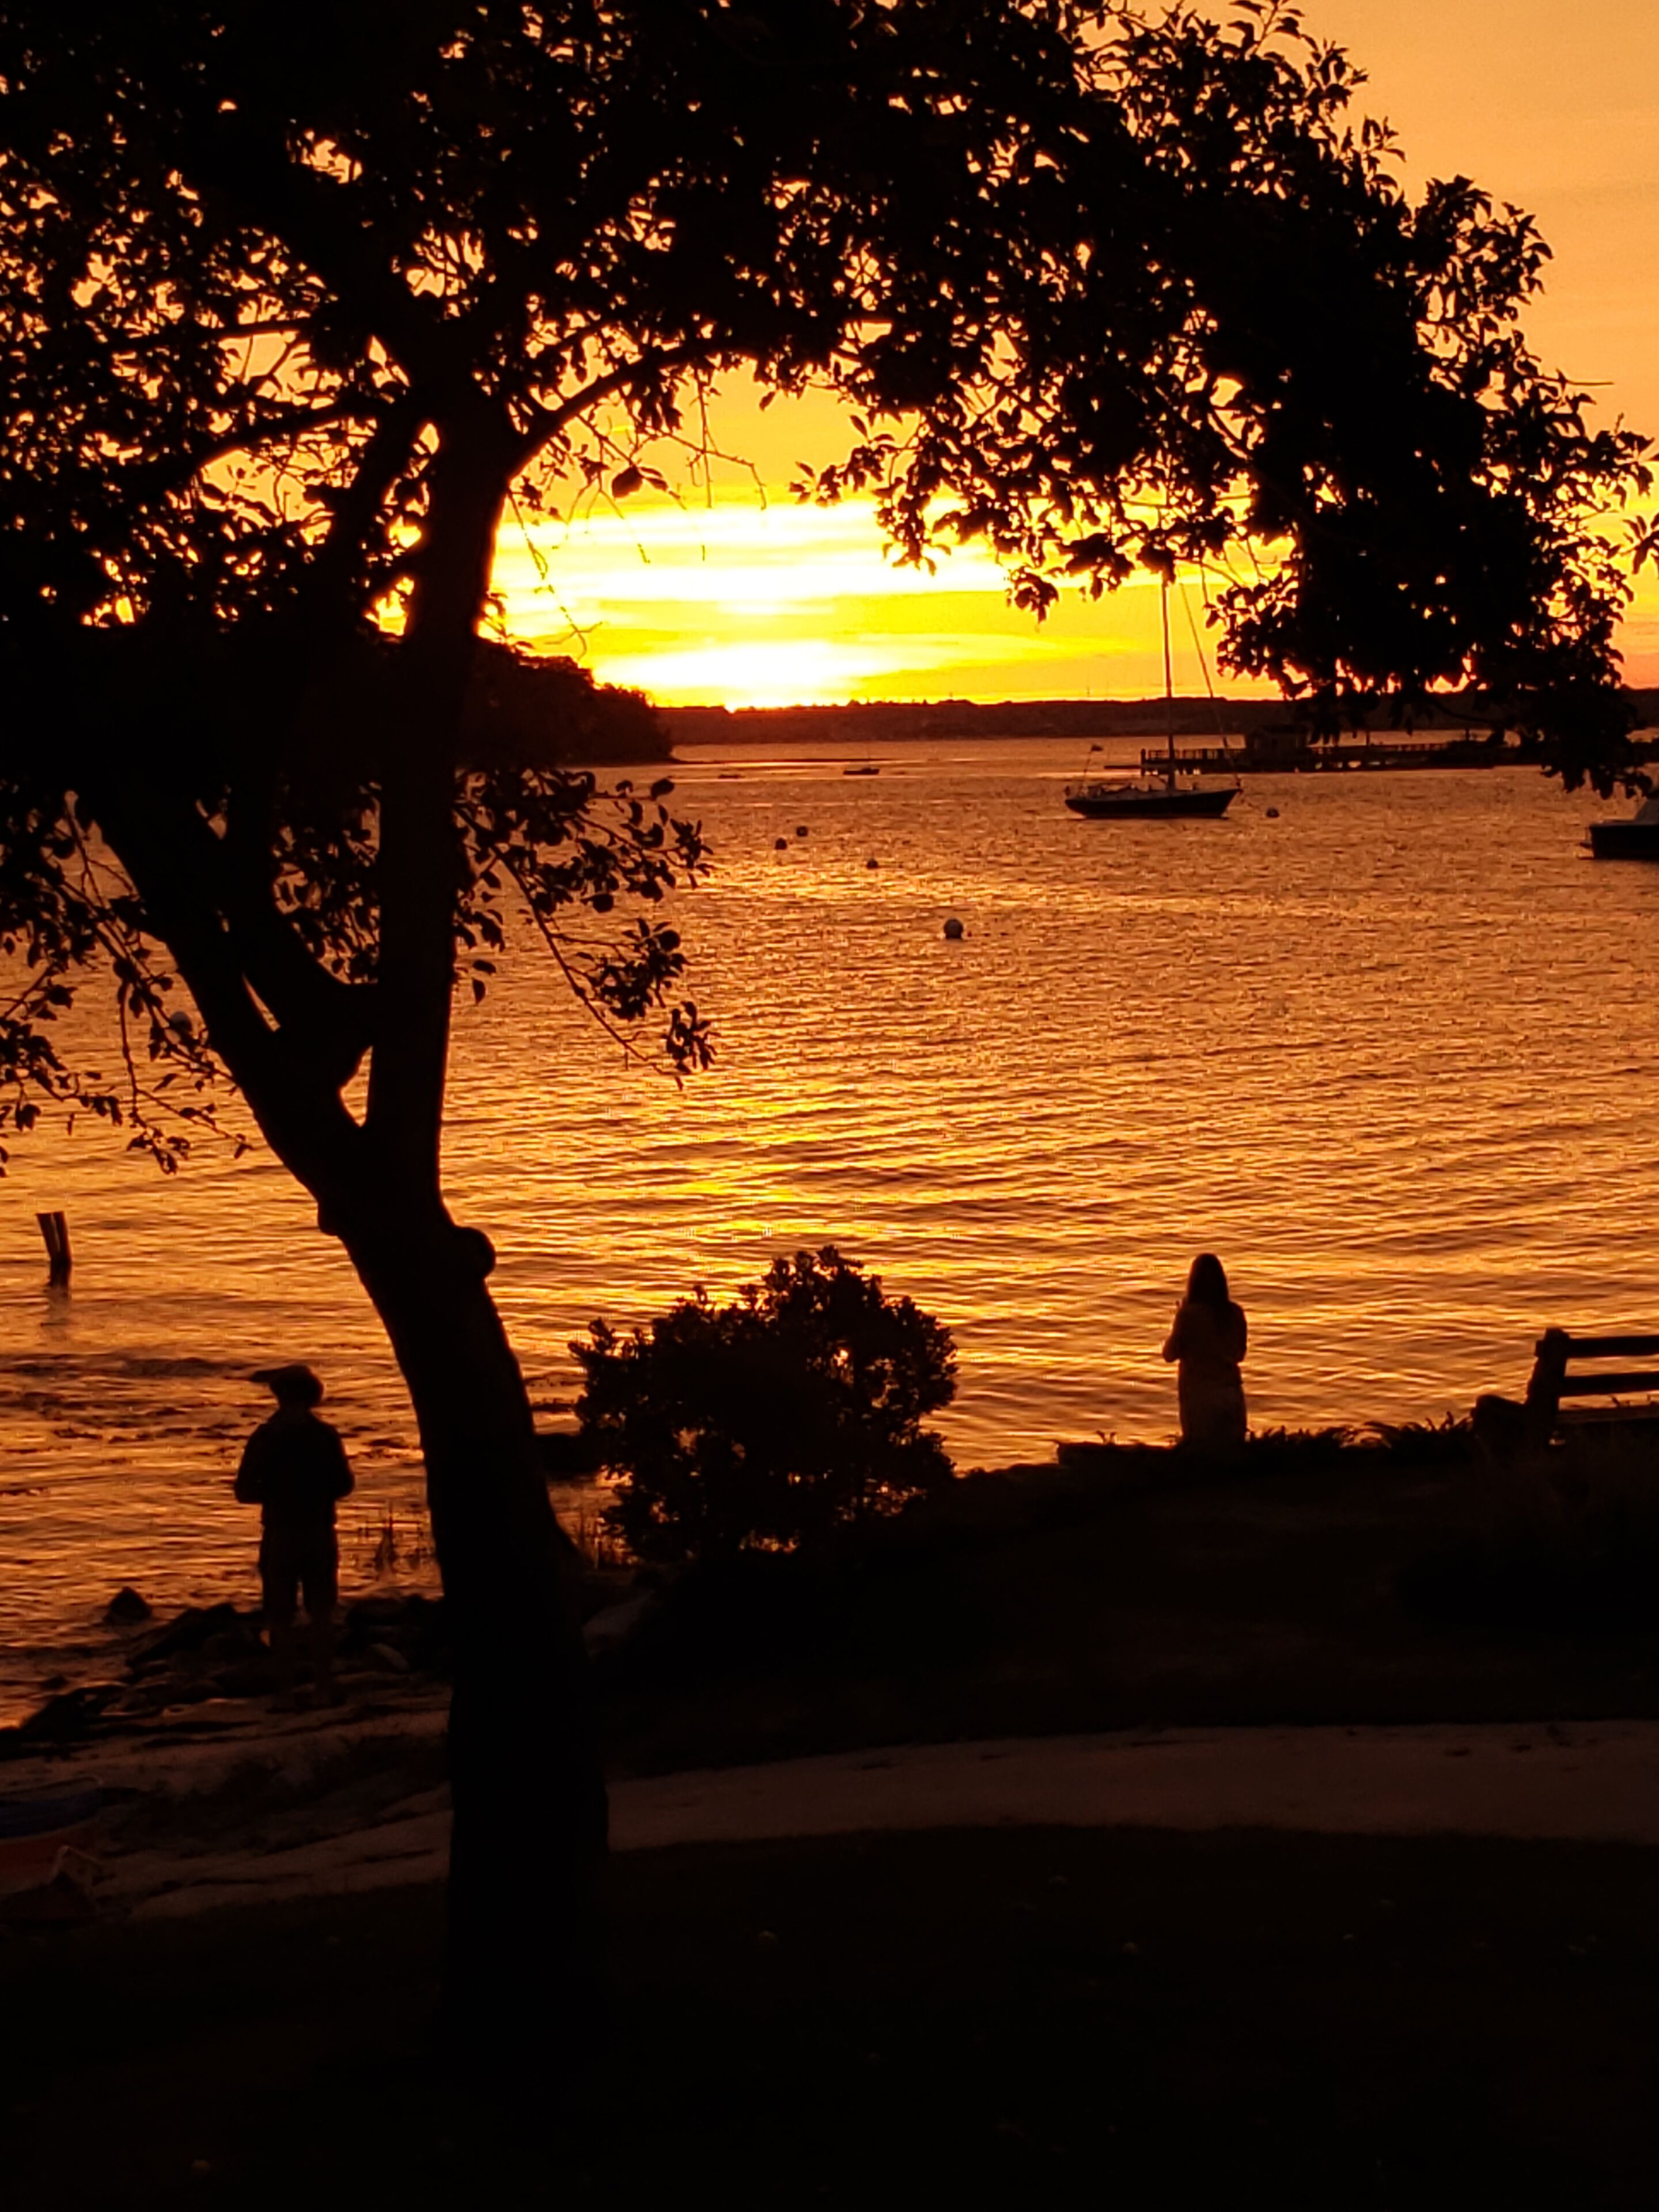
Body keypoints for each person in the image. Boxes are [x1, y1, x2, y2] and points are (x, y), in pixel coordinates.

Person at [234, 1362, 354, 1705]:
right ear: (314, 1397)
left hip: (281, 1532)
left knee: (280, 1616)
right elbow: (344, 1484)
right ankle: (323, 1687)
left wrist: (274, 1493)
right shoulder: (325, 1436)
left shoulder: (265, 1437)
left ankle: (285, 1692)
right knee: (321, 1613)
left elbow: (244, 1491)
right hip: (318, 1530)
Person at [1162, 1253, 1248, 1451]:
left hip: (1199, 1397)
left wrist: (1179, 1318)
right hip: (1231, 1393)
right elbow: (1239, 1354)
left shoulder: (1188, 1315)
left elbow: (1169, 1354)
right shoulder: (1235, 1312)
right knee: (1233, 1454)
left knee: (1200, 1454)